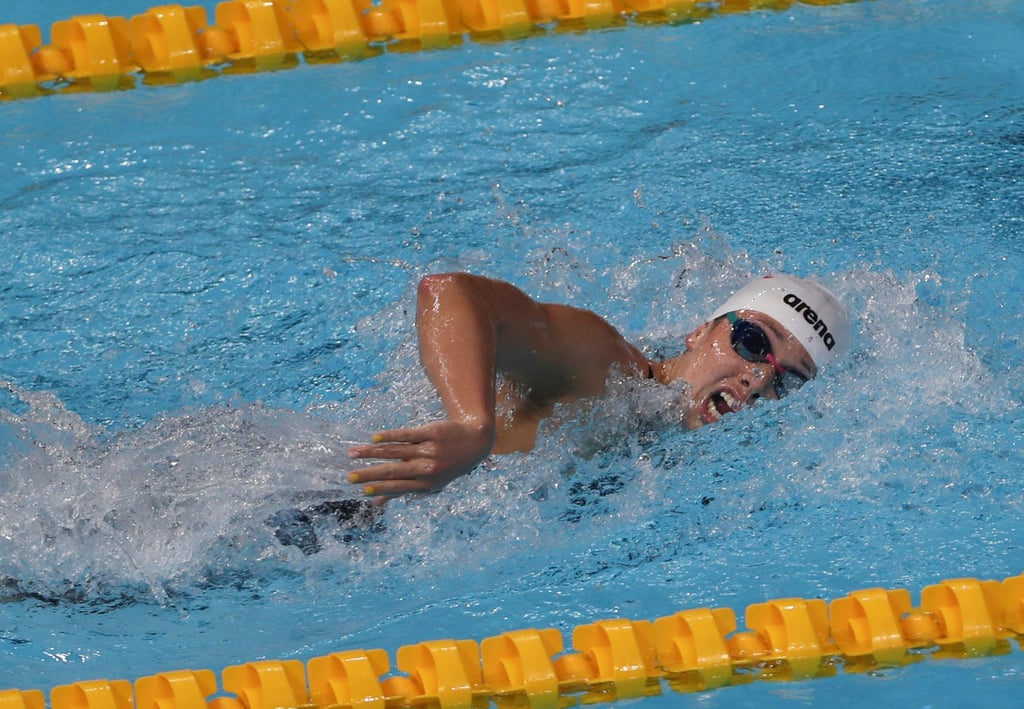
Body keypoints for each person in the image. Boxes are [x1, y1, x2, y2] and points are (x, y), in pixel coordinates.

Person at [346, 271, 851, 505]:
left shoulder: (675, 458)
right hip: (323, 505)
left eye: (790, 380)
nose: (760, 378)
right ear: (701, 330)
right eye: (750, 340)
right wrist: (470, 423)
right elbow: (449, 292)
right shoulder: (607, 368)